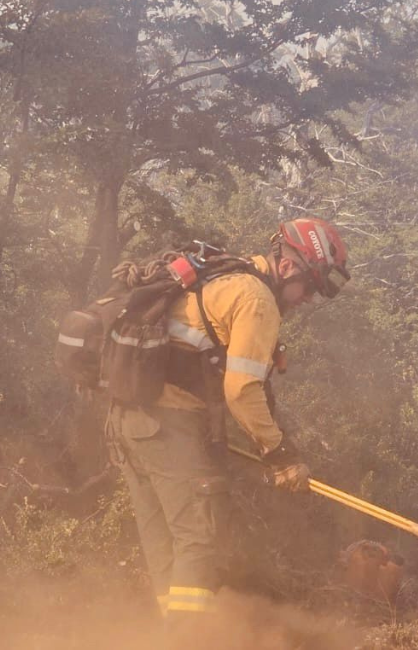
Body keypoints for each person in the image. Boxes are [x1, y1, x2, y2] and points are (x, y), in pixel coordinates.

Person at [106, 218, 350, 619]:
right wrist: (280, 453)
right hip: (169, 425)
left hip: (130, 423)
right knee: (199, 541)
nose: (307, 298)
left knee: (165, 544)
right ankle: (189, 641)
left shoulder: (227, 274)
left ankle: (171, 635)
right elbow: (241, 390)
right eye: (309, 285)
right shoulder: (256, 298)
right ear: (288, 268)